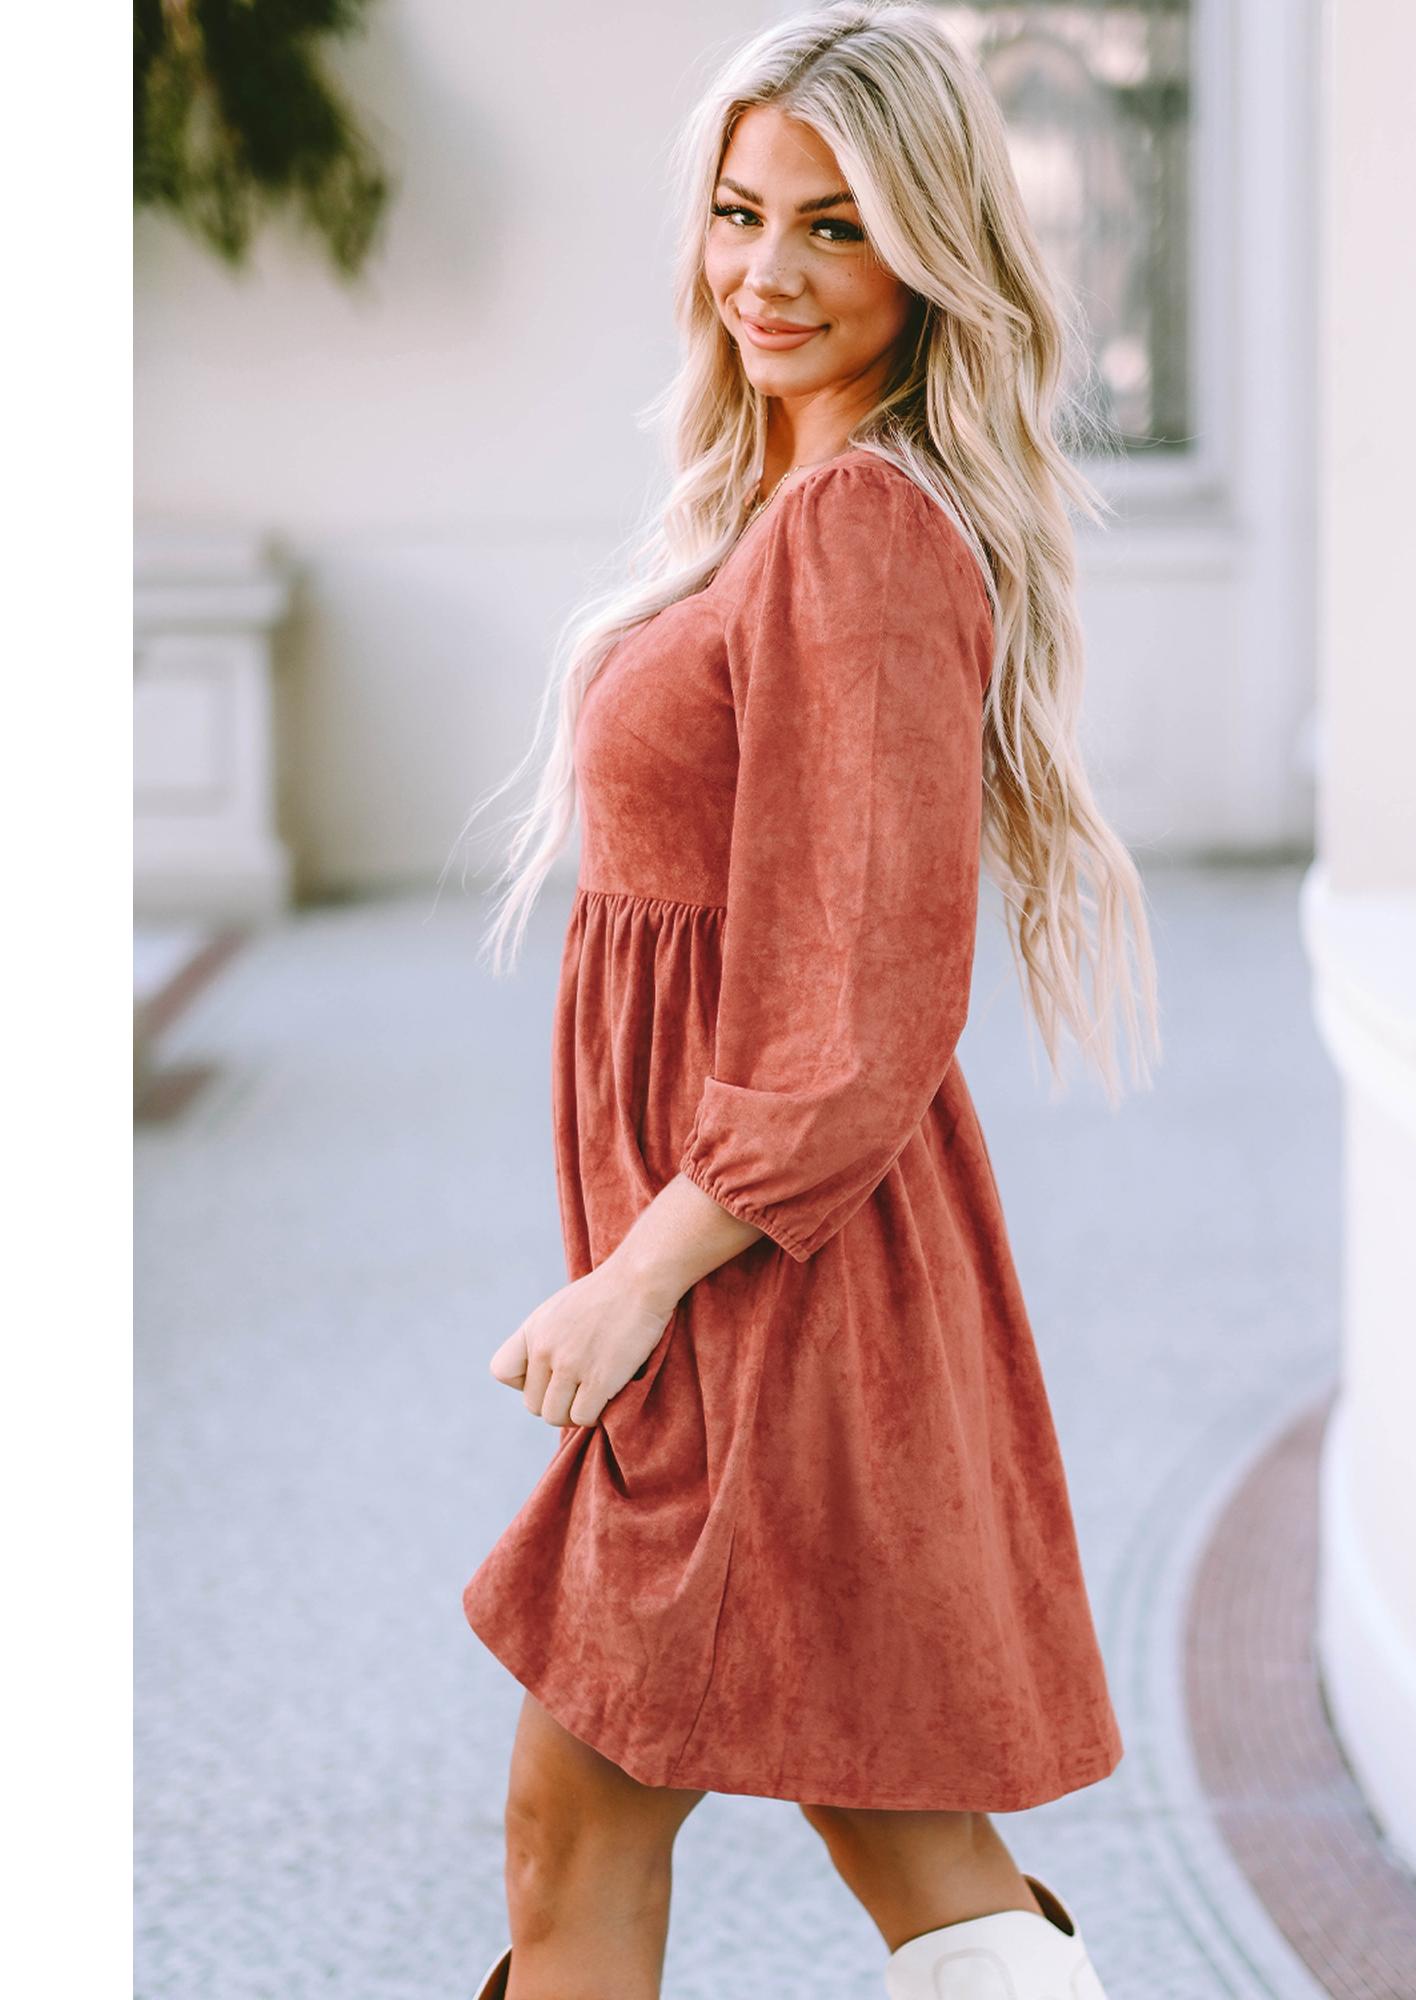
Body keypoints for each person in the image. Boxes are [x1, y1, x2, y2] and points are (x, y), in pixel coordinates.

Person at [459, 5, 1161, 1996]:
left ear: (930, 248)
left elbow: (862, 1006)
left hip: (771, 1276)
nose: (766, 271)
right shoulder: (780, 503)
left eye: (834, 226)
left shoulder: (861, 530)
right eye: (738, 211)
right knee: (885, 1820)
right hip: (749, 1266)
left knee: (591, 1811)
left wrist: (635, 1280)